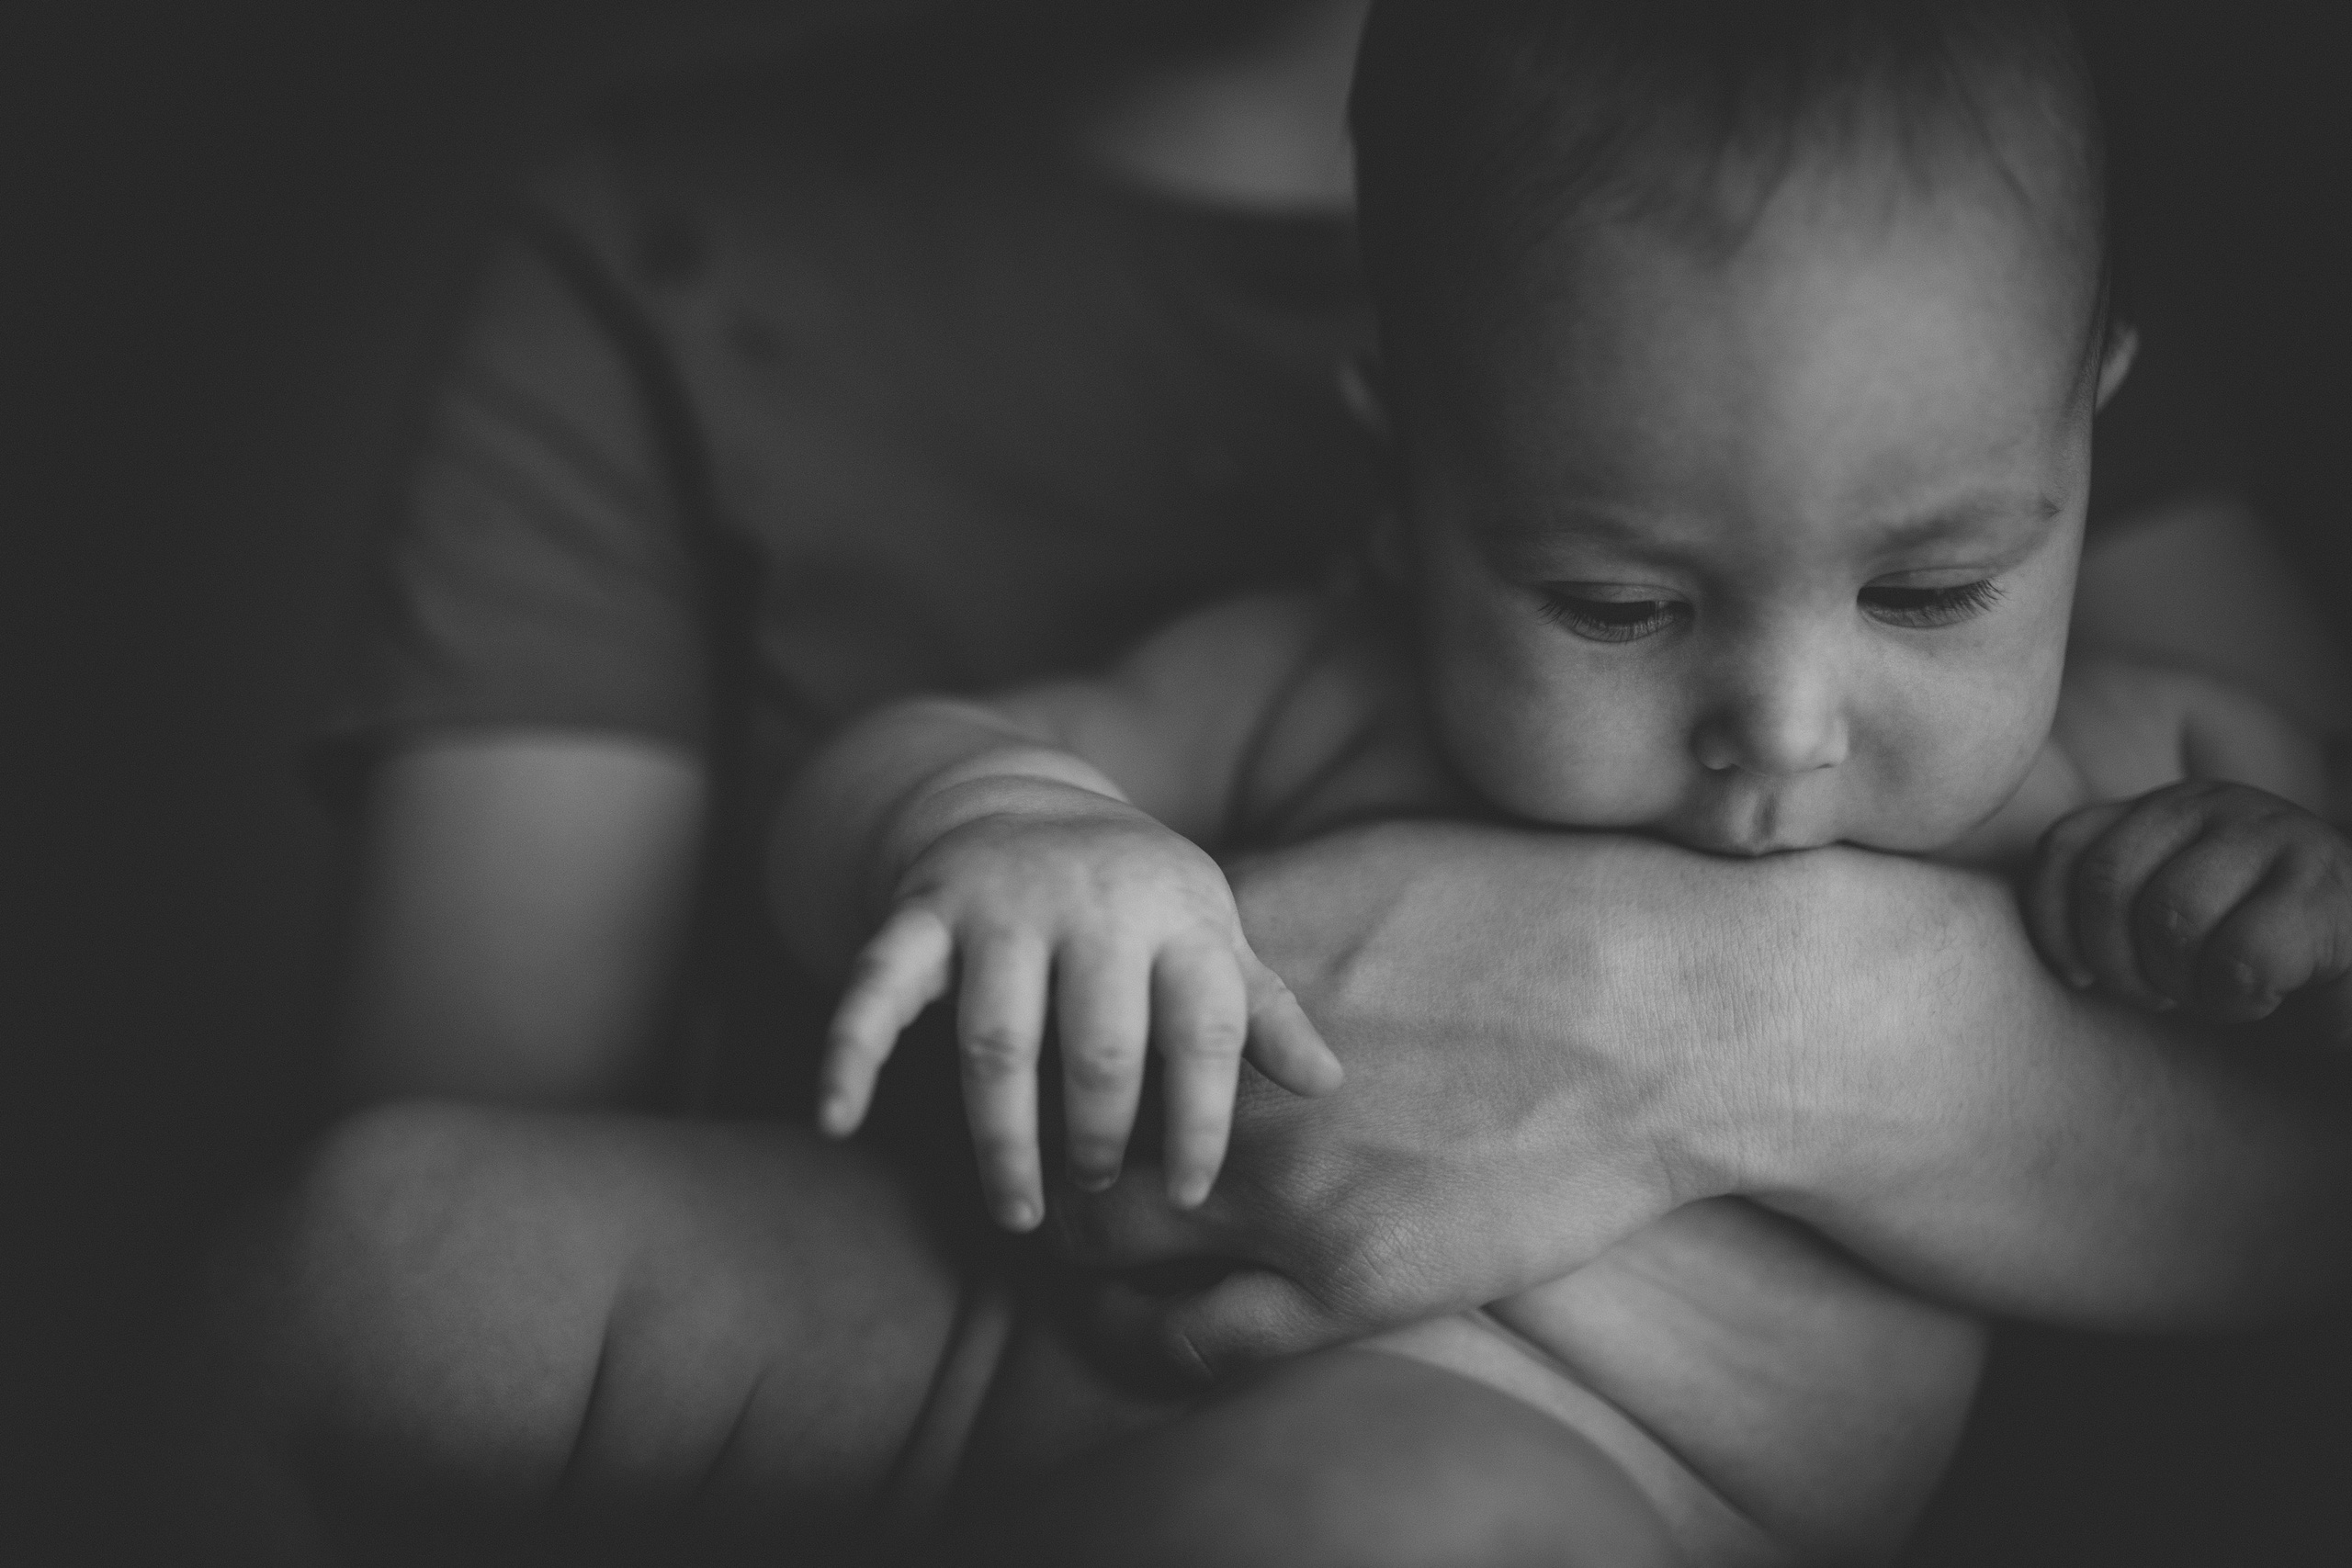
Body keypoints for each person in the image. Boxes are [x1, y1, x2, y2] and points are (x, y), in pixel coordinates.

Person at [172, 2, 2352, 1563]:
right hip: (964, 1340)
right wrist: (1006, 832)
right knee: (362, 1257)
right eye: (1611, 605)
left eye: (1936, 587)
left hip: (1553, 1457)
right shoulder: (1318, 659)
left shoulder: (2134, 758)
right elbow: (914, 768)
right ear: (1402, 481)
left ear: (2083, 432)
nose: (1782, 717)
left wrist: (2272, 911)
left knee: (1379, 1521)